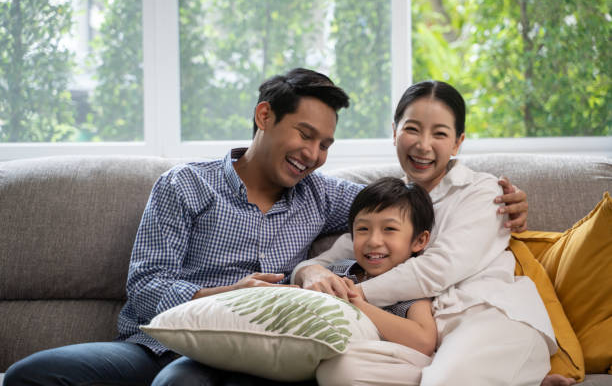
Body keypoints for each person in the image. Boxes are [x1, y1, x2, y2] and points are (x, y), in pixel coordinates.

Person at [4, 70, 528, 386]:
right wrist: (222, 292)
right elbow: (145, 289)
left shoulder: (323, 194)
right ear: (263, 116)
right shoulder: (186, 185)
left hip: (251, 350)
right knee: (30, 375)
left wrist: (511, 212)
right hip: (154, 341)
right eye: (305, 134)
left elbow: (397, 216)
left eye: (325, 145)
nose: (313, 155)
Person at [295, 80, 562, 386]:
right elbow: (342, 251)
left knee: (445, 381)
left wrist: (354, 294)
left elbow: (439, 269)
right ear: (395, 132)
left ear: (457, 142)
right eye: (412, 129)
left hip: (488, 317)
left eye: (439, 133)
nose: (423, 145)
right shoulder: (387, 200)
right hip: (429, 343)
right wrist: (311, 272)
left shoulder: (484, 191)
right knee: (340, 372)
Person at [316, 177, 437, 386]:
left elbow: (424, 341)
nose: (373, 241)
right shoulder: (338, 271)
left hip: (389, 365)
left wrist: (357, 304)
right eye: (363, 229)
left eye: (389, 229)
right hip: (326, 349)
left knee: (340, 371)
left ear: (419, 241)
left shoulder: (411, 286)